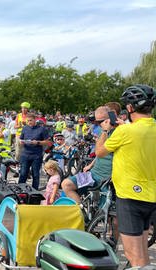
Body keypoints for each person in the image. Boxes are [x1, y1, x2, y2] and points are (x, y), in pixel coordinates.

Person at [95, 85, 156, 267]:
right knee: (142, 251)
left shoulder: (124, 132)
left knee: (133, 256)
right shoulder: (139, 129)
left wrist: (105, 131)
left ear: (129, 108)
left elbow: (99, 152)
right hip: (151, 196)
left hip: (130, 197)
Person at [61, 106, 113, 203]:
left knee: (106, 211)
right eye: (95, 121)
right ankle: (81, 214)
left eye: (99, 122)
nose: (97, 124)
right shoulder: (103, 131)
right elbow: (99, 153)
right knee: (66, 184)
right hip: (93, 174)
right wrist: (90, 165)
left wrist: (106, 131)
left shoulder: (118, 133)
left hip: (108, 179)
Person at [18, 113, 50, 190]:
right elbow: (20, 139)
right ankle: (20, 190)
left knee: (35, 174)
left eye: (31, 120)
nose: (29, 122)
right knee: (23, 173)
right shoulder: (25, 128)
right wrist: (21, 142)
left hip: (36, 155)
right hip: (25, 154)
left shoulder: (42, 129)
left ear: (35, 119)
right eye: (27, 121)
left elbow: (47, 142)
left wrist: (38, 142)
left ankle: (34, 191)